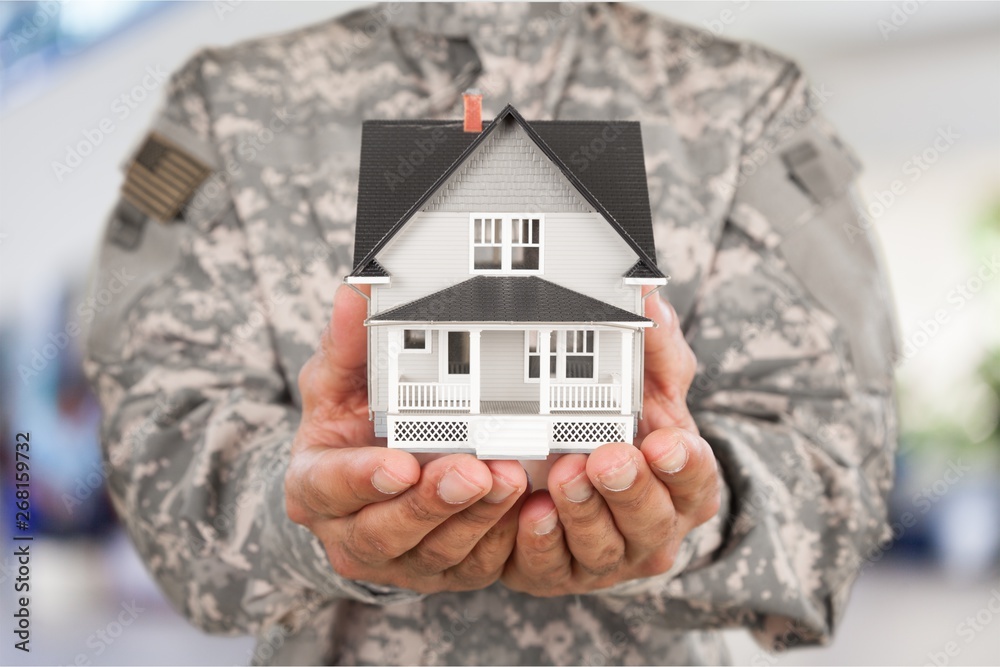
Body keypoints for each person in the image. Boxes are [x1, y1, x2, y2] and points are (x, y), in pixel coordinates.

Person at [83, 3, 900, 664]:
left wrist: (689, 512)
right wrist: (302, 507)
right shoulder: (229, 106)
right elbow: (156, 456)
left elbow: (838, 482)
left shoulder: (749, 105)